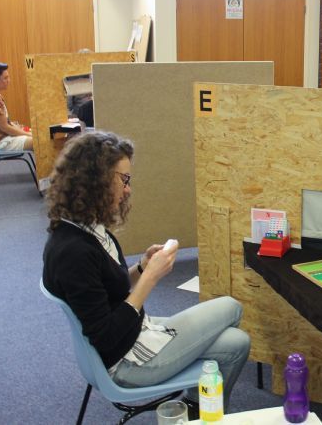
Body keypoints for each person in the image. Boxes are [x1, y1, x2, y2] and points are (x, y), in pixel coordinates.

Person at [42, 131, 250, 415]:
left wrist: (141, 267)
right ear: (95, 180)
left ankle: (198, 410)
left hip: (135, 335)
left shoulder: (86, 230)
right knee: (232, 306)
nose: (127, 189)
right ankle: (203, 411)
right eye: (123, 179)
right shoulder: (73, 252)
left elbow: (108, 288)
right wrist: (150, 278)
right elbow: (106, 337)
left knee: (238, 343)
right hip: (125, 363)